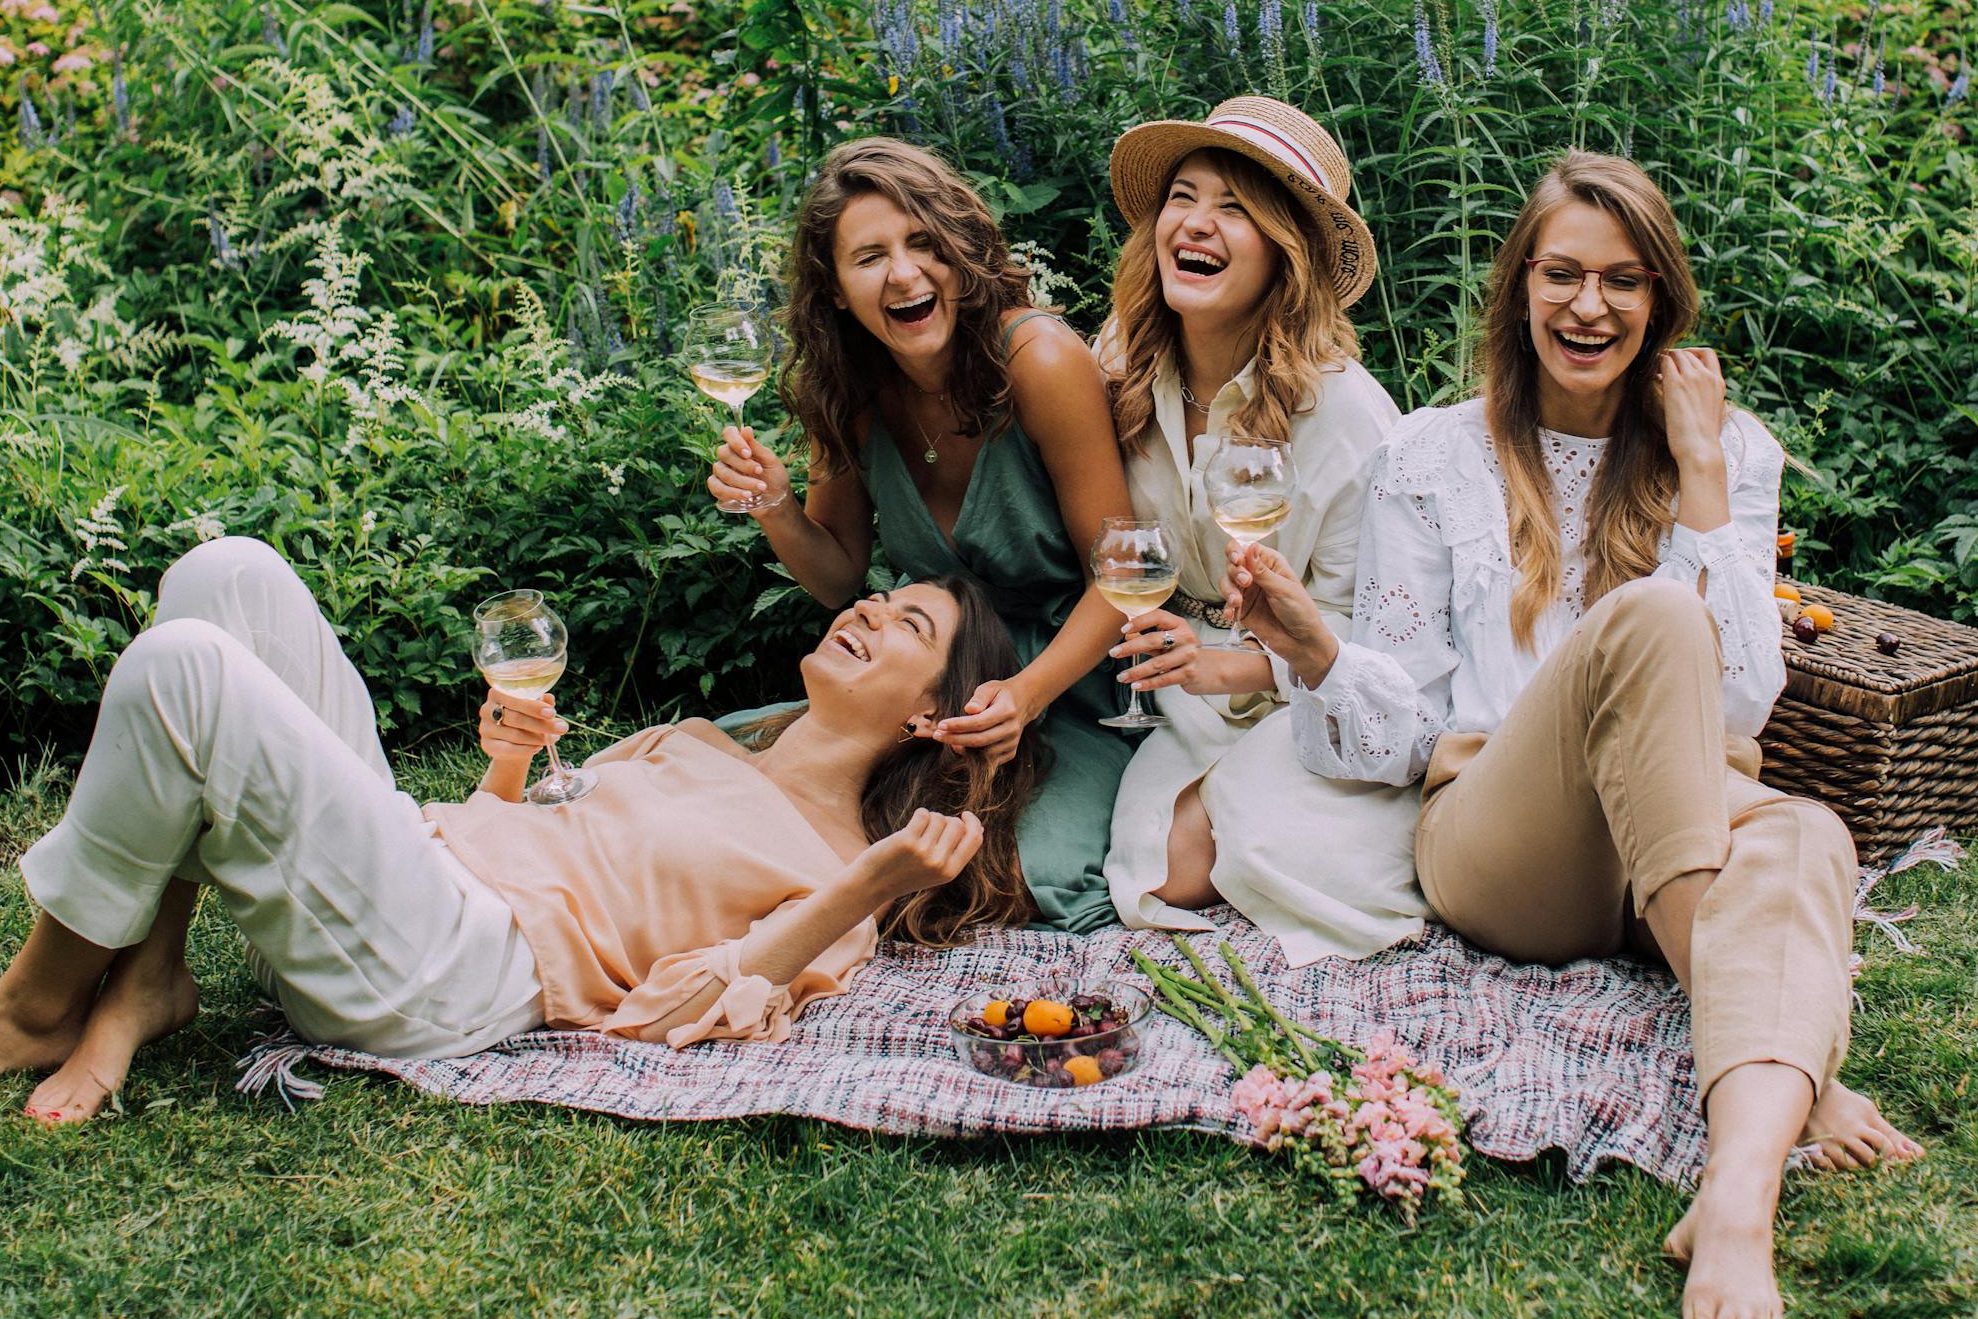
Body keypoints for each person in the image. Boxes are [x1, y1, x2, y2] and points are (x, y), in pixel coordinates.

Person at [1225, 150, 1920, 1318]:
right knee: (1652, 616)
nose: (1589, 305)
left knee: (1806, 829)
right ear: (1519, 289)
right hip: (1507, 843)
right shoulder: (1432, 457)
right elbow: (1388, 732)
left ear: (1660, 303)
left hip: (1679, 822)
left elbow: (1743, 705)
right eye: (1561, 274)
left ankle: (1737, 1196)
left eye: (1623, 280)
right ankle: (1802, 1068)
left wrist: (1699, 469)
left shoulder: (1731, 454)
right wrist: (1316, 650)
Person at [0, 536, 1042, 1124]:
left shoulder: (838, 875)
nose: (866, 611)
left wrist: (865, 886)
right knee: (227, 579)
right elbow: (520, 822)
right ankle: (146, 978)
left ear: (929, 710)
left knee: (185, 664)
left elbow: (667, 1015)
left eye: (909, 625)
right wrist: (504, 760)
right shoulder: (691, 741)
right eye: (880, 596)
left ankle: (41, 997)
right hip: (424, 861)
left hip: (455, 967)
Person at [707, 137, 1136, 932]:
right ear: (835, 290)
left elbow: (1123, 576)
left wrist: (1025, 694)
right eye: (869, 256)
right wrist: (774, 506)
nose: (904, 274)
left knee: (1023, 873)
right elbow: (839, 576)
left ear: (961, 254)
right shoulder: (847, 389)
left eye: (924, 244)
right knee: (734, 776)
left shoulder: (1039, 361)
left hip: (1066, 685)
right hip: (922, 685)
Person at [1094, 96, 1424, 965]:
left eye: (1236, 209)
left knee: (1251, 849)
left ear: (1286, 254)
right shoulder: (1126, 364)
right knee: (1157, 873)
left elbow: (1377, 640)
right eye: (1185, 197)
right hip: (1181, 697)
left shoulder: (1348, 416)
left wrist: (1227, 664)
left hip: (1307, 697)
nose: (1197, 224)